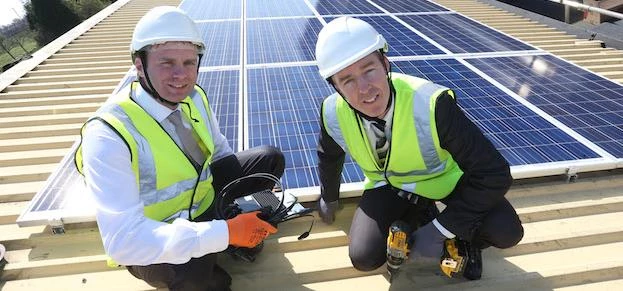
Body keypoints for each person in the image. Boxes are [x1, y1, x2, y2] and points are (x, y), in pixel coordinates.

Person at [74, 6, 284, 291]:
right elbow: (123, 242)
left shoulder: (194, 97)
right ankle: (224, 247)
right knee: (205, 279)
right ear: (139, 65)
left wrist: (242, 204)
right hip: (159, 233)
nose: (181, 75)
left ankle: (239, 231)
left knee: (270, 160)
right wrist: (227, 232)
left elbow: (220, 152)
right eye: (166, 63)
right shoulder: (108, 134)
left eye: (189, 62)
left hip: (205, 202)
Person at [314, 16, 524, 280]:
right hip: (389, 185)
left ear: (385, 64)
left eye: (369, 70)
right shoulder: (332, 113)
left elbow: (494, 173)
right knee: (364, 257)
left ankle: (463, 241)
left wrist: (442, 228)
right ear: (335, 86)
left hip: (444, 182)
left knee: (506, 230)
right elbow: (329, 157)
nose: (365, 89)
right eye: (348, 80)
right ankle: (416, 216)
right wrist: (329, 197)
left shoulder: (431, 104)